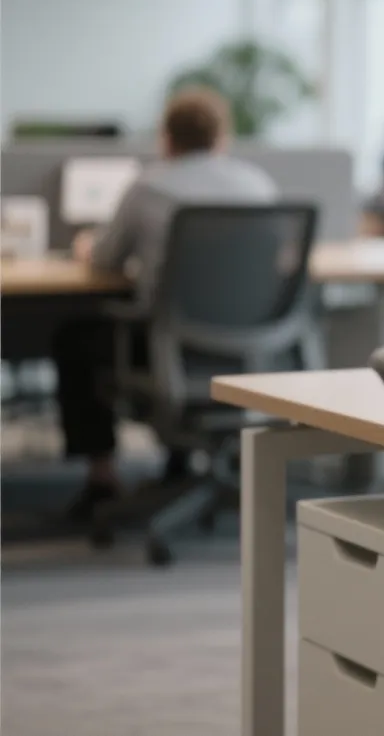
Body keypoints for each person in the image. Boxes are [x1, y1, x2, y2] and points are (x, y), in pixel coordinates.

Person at [54, 88, 277, 516]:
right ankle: (180, 462)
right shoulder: (258, 185)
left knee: (74, 338)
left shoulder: (148, 187)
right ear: (222, 137)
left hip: (169, 349)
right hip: (247, 349)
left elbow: (105, 259)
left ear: (167, 139)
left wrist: (84, 245)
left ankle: (102, 478)